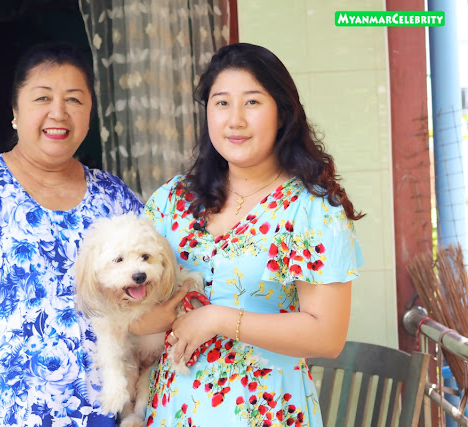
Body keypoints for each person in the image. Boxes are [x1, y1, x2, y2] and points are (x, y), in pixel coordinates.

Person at [0, 42, 144, 427]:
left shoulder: (115, 198)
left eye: (74, 99)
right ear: (16, 112)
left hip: (101, 415)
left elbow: (148, 295)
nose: (59, 113)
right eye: (42, 98)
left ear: (90, 112)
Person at [137, 43, 364, 426]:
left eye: (253, 102)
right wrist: (159, 316)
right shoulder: (172, 200)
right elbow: (130, 315)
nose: (235, 120)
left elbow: (327, 336)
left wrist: (217, 319)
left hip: (268, 410)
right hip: (175, 410)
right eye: (222, 103)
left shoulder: (311, 209)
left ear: (282, 113)